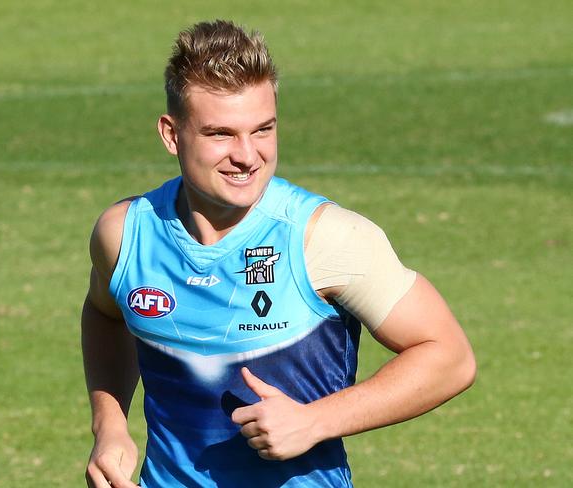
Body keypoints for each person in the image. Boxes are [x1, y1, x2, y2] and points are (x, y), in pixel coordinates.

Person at [82, 19, 476, 488]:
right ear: (172, 134)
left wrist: (316, 421)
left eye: (263, 129)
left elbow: (450, 357)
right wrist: (109, 425)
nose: (248, 155)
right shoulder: (125, 234)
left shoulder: (324, 238)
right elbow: (106, 314)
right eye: (220, 134)